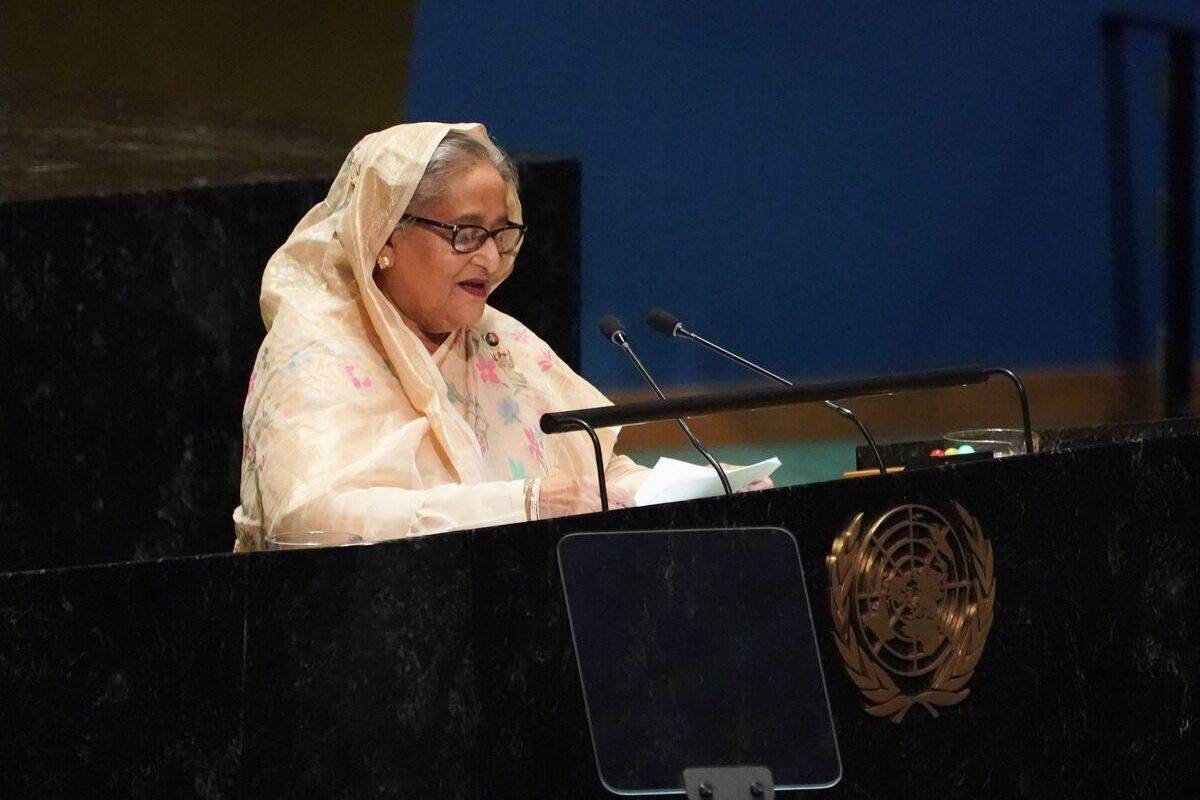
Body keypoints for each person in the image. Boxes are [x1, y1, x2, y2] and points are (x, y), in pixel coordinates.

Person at [233, 122, 768, 551]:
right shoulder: (315, 350)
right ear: (385, 234)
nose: (489, 259)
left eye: (501, 234)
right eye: (465, 234)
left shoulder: (497, 340)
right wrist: (521, 506)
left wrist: (702, 493)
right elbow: (305, 519)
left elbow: (591, 474)